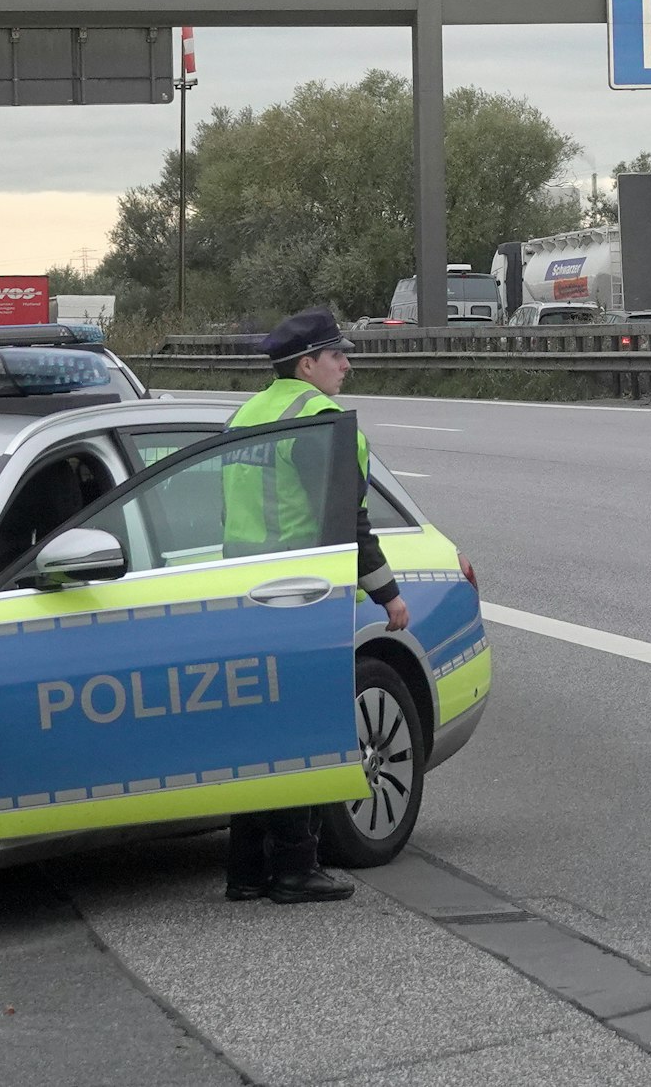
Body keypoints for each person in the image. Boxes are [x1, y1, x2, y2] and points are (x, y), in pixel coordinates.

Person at [222, 307, 409, 905]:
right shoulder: (320, 423)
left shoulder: (246, 414)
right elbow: (348, 521)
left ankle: (246, 870)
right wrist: (388, 594)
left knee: (257, 730)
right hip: (298, 596)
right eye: (336, 355)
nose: (346, 365)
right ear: (307, 365)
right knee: (301, 730)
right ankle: (296, 867)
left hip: (240, 591)